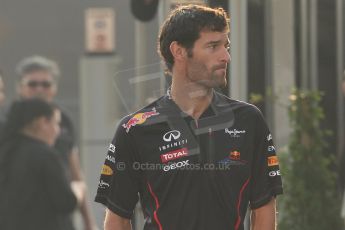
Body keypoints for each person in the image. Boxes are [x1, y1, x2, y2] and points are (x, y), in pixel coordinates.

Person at [95, 4, 283, 230]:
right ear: (179, 51)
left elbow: (263, 207)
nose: (226, 56)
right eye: (213, 46)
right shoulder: (134, 129)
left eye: (226, 46)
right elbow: (117, 218)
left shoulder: (249, 120)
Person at [15, 55, 97, 230]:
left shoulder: (63, 120)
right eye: (32, 84)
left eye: (45, 84)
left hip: (60, 218)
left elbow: (76, 173)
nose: (39, 89)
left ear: (54, 88)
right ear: (20, 88)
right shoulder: (8, 122)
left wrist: (89, 223)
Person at [0, 98, 85, 230]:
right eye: (56, 123)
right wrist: (78, 189)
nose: (57, 131)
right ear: (42, 122)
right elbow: (66, 202)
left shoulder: (6, 153)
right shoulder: (45, 155)